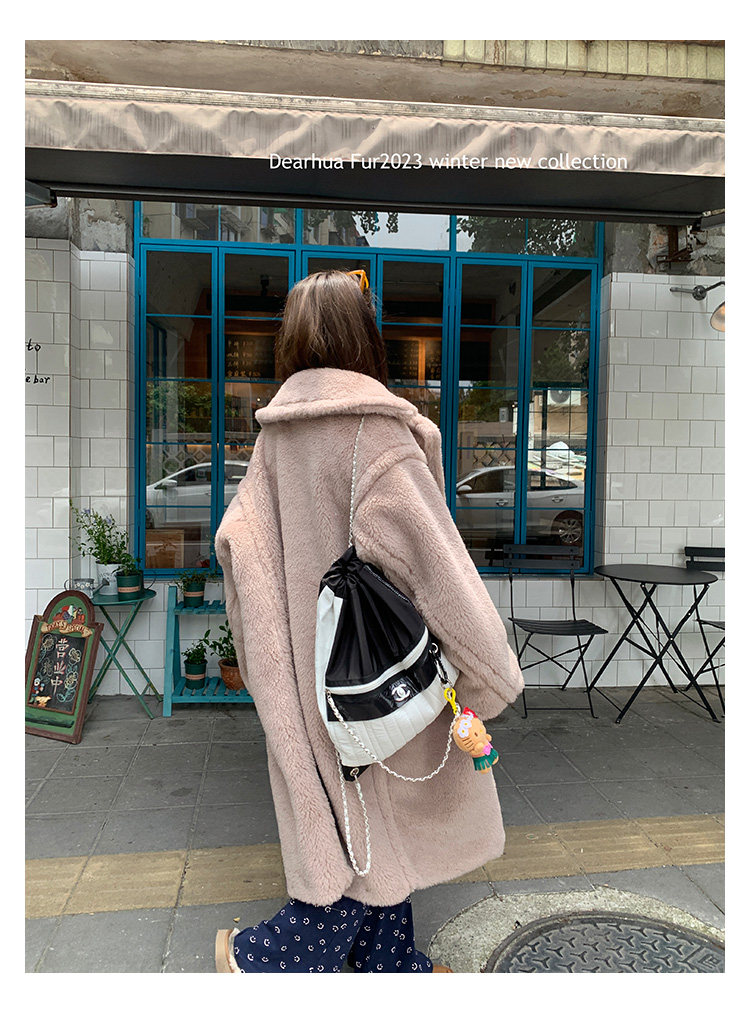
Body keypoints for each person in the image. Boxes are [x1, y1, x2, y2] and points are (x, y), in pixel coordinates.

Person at [213, 269, 524, 973]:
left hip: (309, 680)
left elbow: (240, 548)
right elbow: (436, 567)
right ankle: (266, 961)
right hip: (378, 675)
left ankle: (389, 962)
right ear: (367, 338)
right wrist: (491, 672)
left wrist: (268, 668)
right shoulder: (375, 437)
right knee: (370, 815)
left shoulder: (273, 441)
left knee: (364, 819)